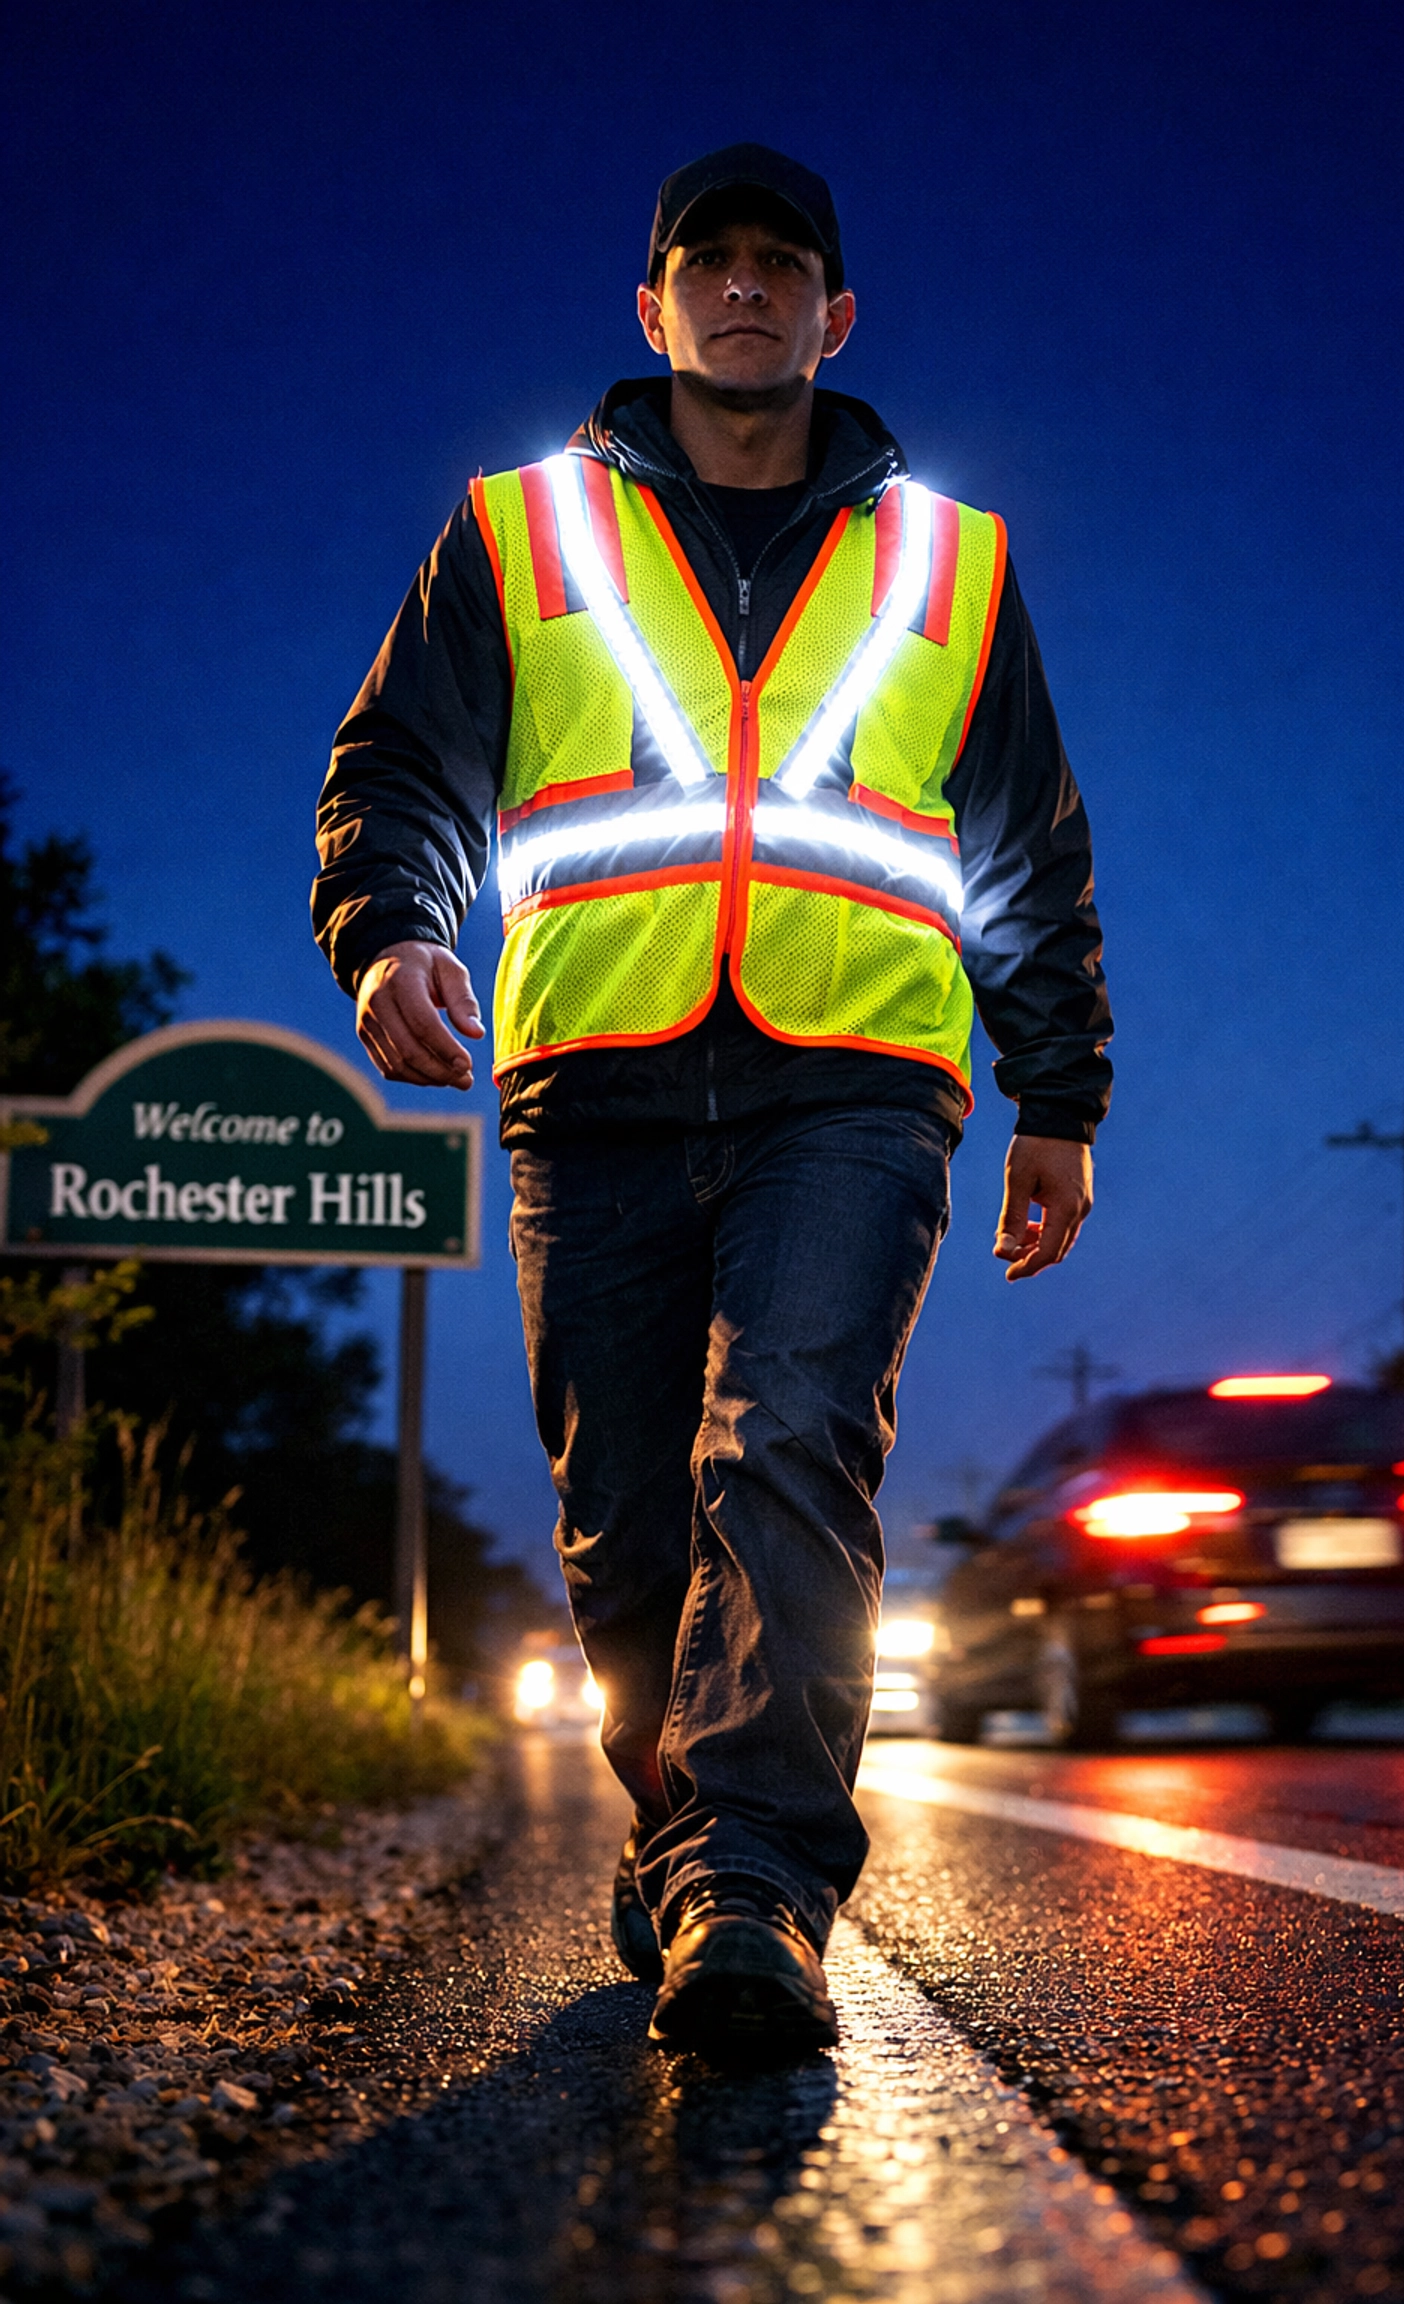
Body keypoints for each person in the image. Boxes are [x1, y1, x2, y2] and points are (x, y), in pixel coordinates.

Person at [313, 143, 1112, 2055]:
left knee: (791, 1445)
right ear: (651, 305)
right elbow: (403, 766)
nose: (745, 287)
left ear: (838, 316)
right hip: (590, 1076)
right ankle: (683, 1834)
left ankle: (754, 1882)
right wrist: (391, 930)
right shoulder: (518, 534)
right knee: (623, 1520)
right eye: (710, 260)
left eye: (784, 263)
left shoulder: (952, 560)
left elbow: (1028, 848)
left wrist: (1059, 1092)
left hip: (858, 1084)